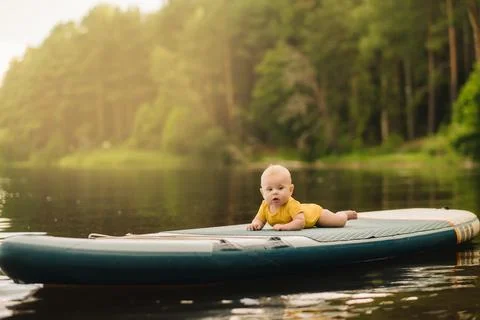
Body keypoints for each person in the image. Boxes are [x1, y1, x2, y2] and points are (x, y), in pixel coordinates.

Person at [247, 164, 357, 231]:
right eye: (269, 189)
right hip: (306, 213)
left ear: (291, 190)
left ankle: (344, 214)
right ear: (262, 192)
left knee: (338, 222)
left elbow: (300, 222)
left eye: (280, 188)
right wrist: (256, 224)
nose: (275, 193)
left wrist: (285, 227)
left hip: (315, 215)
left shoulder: (291, 204)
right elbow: (259, 219)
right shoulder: (265, 205)